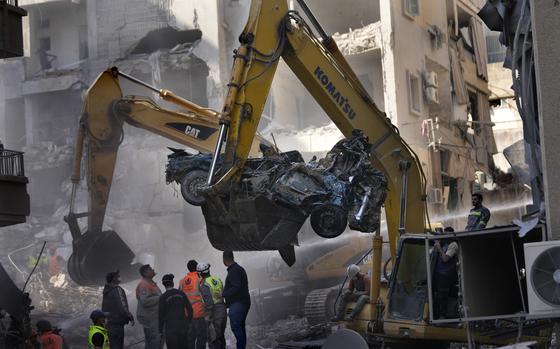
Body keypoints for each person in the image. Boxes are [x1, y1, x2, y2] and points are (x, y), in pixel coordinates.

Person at [222, 251, 250, 349]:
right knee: (240, 327)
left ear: (224, 259)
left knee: (236, 327)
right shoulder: (237, 269)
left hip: (239, 303)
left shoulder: (234, 271)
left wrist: (223, 294)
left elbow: (236, 286)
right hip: (242, 302)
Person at [159, 274, 193, 349]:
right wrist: (188, 322)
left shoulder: (163, 297)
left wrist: (160, 330)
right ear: (172, 283)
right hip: (183, 327)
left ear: (164, 284)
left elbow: (160, 315)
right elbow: (189, 309)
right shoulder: (181, 293)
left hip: (170, 330)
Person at [197, 262, 227, 349]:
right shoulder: (218, 279)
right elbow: (223, 294)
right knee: (221, 338)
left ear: (200, 274)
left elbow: (209, 303)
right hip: (223, 311)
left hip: (215, 314)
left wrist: (207, 317)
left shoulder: (204, 285)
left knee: (213, 340)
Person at [102, 270, 134, 349]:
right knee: (118, 346)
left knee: (112, 346)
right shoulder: (117, 289)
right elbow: (122, 305)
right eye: (117, 276)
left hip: (109, 324)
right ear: (113, 279)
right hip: (117, 324)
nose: (120, 277)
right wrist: (130, 317)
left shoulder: (107, 290)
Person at [179, 260, 206, 349]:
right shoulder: (200, 279)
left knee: (190, 339)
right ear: (197, 267)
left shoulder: (182, 281)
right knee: (201, 338)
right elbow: (205, 295)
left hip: (187, 315)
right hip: (199, 313)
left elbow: (179, 298)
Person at [433, 227, 459, 319]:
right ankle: (436, 314)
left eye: (447, 234)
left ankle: (442, 316)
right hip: (438, 274)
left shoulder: (453, 245)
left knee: (442, 296)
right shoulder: (444, 243)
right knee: (437, 295)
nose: (445, 236)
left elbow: (445, 259)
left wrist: (439, 248)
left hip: (446, 276)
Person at [135, 264, 162, 349]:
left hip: (152, 316)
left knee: (152, 339)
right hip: (149, 317)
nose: (153, 270)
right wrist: (160, 297)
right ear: (145, 273)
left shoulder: (151, 283)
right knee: (154, 340)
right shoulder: (144, 284)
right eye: (150, 269)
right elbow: (145, 301)